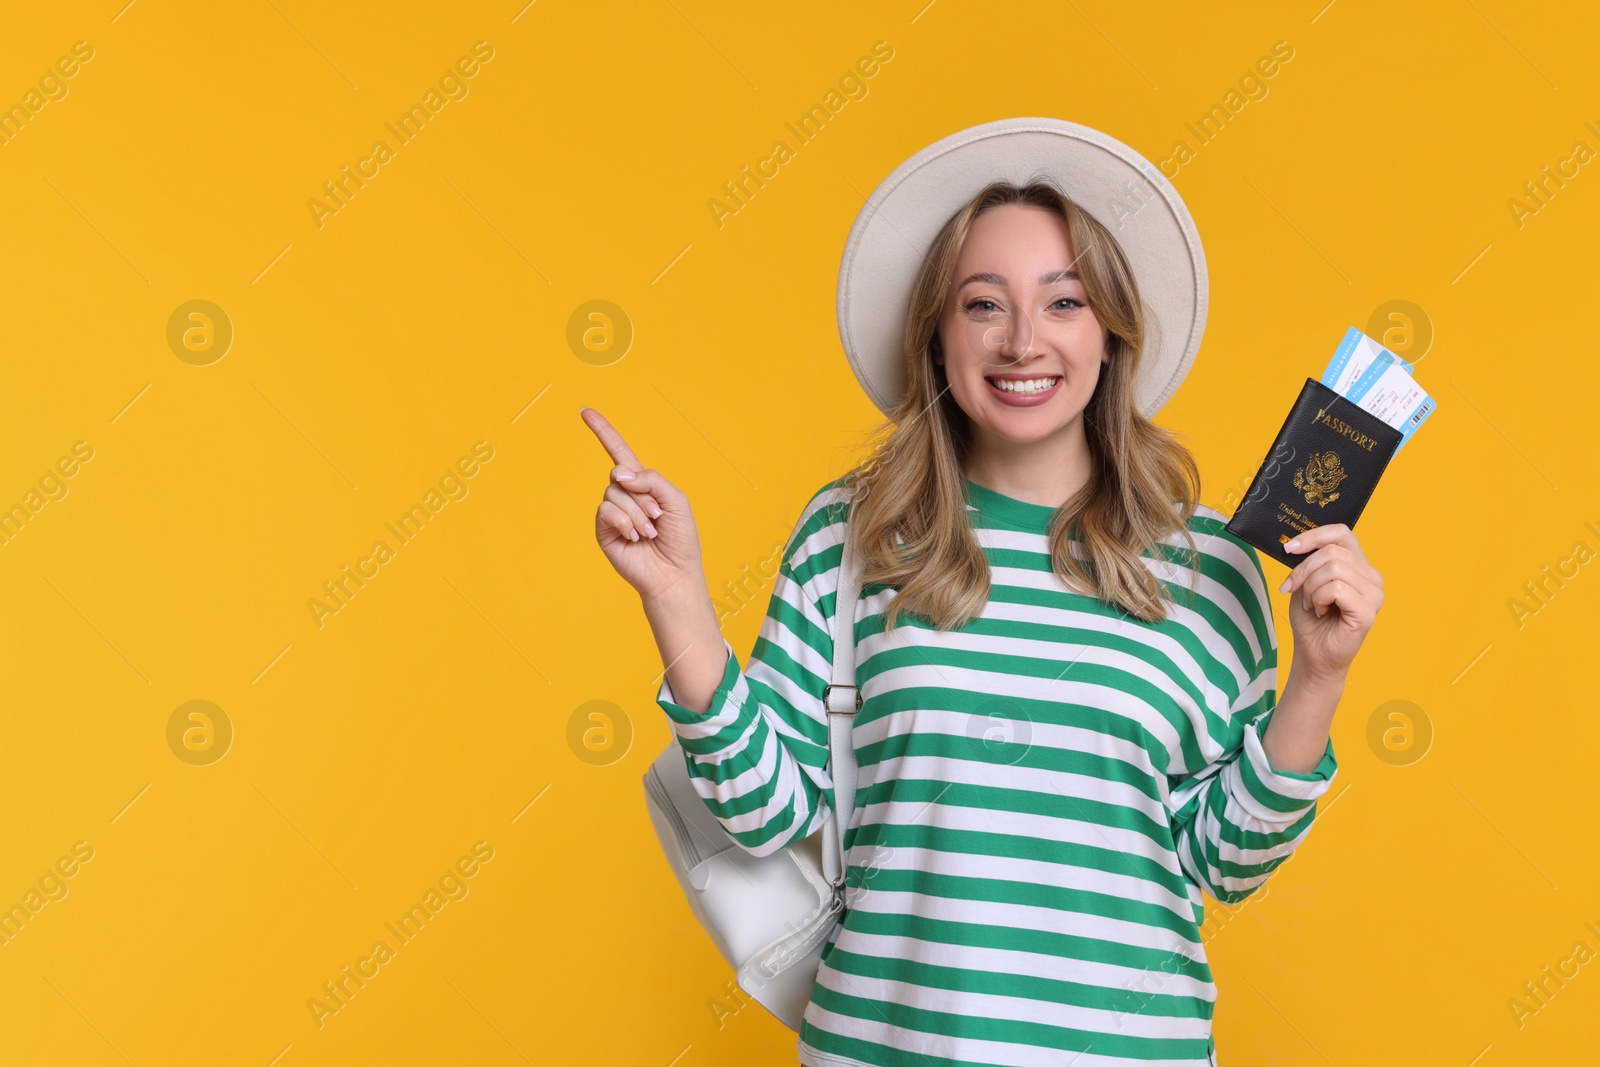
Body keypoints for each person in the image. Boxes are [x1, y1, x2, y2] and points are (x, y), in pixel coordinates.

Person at [584, 119, 1384, 1067]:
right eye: (981, 305)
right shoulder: (852, 534)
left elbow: (1226, 863)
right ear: (938, 332)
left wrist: (1319, 677)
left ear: (1109, 332)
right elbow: (766, 809)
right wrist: (675, 598)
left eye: (1064, 302)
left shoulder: (1211, 567)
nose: (1022, 342)